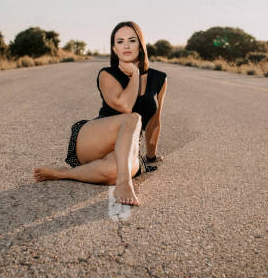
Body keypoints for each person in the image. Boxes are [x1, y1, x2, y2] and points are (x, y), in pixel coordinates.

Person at [33, 21, 168, 206]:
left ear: (140, 44)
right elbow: (126, 106)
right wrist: (135, 74)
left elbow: (154, 123)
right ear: (114, 48)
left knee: (115, 169)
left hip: (129, 145)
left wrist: (151, 156)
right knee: (133, 118)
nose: (126, 45)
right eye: (120, 41)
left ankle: (62, 173)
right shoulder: (107, 74)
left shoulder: (159, 79)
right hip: (95, 138)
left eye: (132, 40)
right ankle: (124, 182)